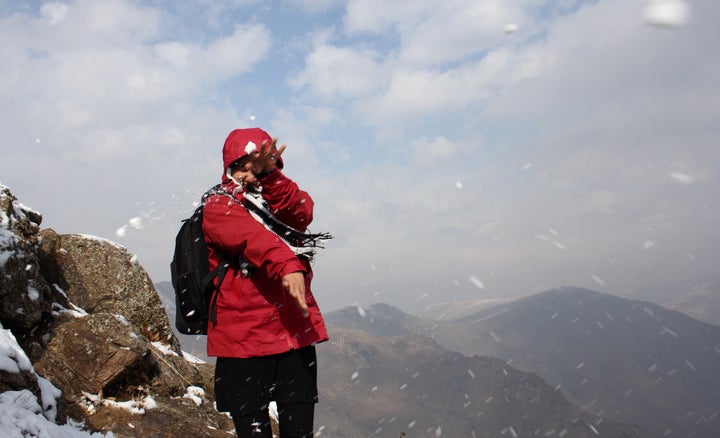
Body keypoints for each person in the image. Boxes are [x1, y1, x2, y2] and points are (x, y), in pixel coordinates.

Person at [201, 127, 331, 437]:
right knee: (253, 431)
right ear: (229, 168)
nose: (249, 174)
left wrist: (271, 175)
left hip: (292, 335)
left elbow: (302, 211)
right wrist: (288, 265)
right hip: (243, 341)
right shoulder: (218, 205)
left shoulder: (275, 202)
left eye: (255, 166)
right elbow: (252, 239)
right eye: (242, 166)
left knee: (300, 431)